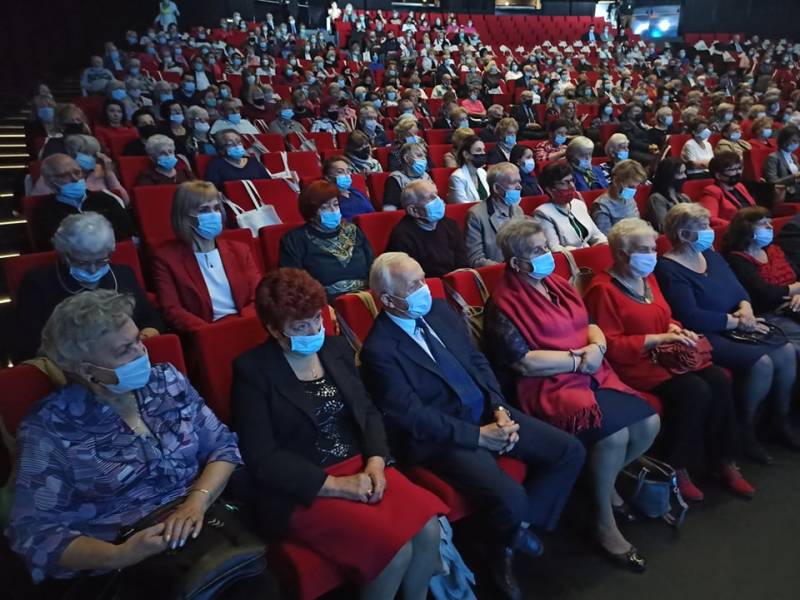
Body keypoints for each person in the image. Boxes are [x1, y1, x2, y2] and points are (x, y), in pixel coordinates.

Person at [360, 252, 585, 598]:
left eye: (423, 279)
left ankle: (513, 533)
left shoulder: (438, 310)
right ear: (389, 300)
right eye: (413, 285)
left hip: (486, 413)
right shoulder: (379, 349)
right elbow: (412, 415)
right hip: (445, 436)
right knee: (510, 497)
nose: (425, 289)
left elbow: (476, 360)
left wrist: (499, 408)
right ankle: (500, 549)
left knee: (569, 451)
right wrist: (479, 437)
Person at [7, 289, 242, 592]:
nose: (141, 353)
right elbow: (34, 534)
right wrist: (121, 554)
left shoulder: (166, 381)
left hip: (204, 525)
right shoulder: (50, 427)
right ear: (86, 369)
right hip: (124, 560)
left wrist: (197, 501)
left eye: (137, 340)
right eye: (124, 350)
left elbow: (223, 445)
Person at [231, 268, 445, 600]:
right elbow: (263, 458)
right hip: (306, 484)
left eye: (316, 319)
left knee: (429, 530)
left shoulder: (335, 348)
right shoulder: (252, 371)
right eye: (300, 327)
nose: (313, 330)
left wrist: (376, 461)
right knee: (393, 552)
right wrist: (337, 486)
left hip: (360, 464)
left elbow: (368, 411)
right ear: (274, 329)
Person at [482, 219, 658, 571]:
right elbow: (522, 363)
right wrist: (578, 361)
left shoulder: (558, 284)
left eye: (546, 246)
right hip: (548, 385)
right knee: (614, 435)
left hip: (590, 369)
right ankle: (603, 520)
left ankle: (603, 483)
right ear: (516, 263)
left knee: (648, 423)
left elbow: (589, 323)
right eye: (537, 251)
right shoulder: (502, 303)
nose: (547, 255)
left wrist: (597, 347)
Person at [584, 218, 755, 500]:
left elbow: (666, 315)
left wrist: (675, 328)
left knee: (718, 379)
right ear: (622, 254)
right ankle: (677, 465)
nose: (653, 255)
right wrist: (659, 338)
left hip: (667, 355)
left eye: (654, 248)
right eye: (645, 250)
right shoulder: (602, 289)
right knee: (694, 391)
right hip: (635, 365)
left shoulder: (647, 277)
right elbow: (610, 345)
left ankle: (723, 459)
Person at [654, 203, 798, 464]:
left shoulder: (711, 255)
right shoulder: (668, 268)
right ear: (683, 234)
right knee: (762, 362)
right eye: (702, 227)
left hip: (738, 322)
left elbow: (739, 291)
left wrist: (746, 309)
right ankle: (746, 429)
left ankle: (780, 420)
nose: (709, 231)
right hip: (707, 333)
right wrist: (736, 322)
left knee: (786, 351)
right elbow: (690, 315)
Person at [13, 213, 161, 361]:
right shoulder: (38, 284)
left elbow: (150, 318)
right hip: (74, 366)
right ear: (65, 254)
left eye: (101, 261)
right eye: (82, 262)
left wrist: (143, 336)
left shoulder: (123, 274)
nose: (92, 269)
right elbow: (30, 345)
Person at [152, 181, 261, 332]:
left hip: (246, 325)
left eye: (216, 208)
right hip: (205, 332)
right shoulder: (166, 258)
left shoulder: (240, 250)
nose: (214, 215)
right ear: (185, 216)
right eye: (204, 210)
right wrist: (210, 333)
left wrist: (243, 324)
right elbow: (172, 309)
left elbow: (259, 295)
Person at [279, 181, 373, 300]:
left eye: (336, 205)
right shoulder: (295, 239)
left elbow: (372, 265)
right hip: (323, 302)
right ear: (311, 212)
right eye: (325, 207)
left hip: (365, 297)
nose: (333, 210)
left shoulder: (353, 230)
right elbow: (294, 283)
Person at [723, 206, 800, 350]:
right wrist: (794, 289)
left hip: (793, 304)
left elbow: (797, 274)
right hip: (768, 312)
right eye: (763, 224)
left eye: (770, 222)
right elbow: (764, 293)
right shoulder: (736, 259)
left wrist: (798, 294)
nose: (770, 227)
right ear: (746, 229)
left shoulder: (773, 250)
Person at [31, 154, 135, 251]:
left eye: (77, 172)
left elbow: (126, 231)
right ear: (50, 182)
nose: (75, 179)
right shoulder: (45, 211)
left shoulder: (105, 199)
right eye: (64, 176)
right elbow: (50, 245)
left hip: (111, 253)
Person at [387, 179, 468, 278]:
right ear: (413, 210)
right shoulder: (401, 237)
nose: (438, 200)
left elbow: (463, 264)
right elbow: (411, 278)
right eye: (431, 197)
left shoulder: (451, 225)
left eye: (436, 194)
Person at [32, 134, 128, 205]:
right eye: (87, 154)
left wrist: (109, 173)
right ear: (71, 154)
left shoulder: (100, 170)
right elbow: (37, 202)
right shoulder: (54, 172)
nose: (93, 158)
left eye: (94, 154)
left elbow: (125, 200)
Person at [533, 161, 607, 252]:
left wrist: (603, 245)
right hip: (569, 257)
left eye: (572, 180)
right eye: (565, 182)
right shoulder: (543, 213)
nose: (572, 186)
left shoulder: (578, 204)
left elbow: (597, 235)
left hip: (590, 253)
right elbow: (555, 248)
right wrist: (585, 252)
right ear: (550, 189)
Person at [465, 163, 526, 267]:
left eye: (519, 181)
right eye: (513, 182)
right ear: (497, 188)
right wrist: (506, 269)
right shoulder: (476, 215)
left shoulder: (518, 210)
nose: (519, 187)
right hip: (497, 272)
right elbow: (476, 259)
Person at [698, 151, 756, 227]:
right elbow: (710, 219)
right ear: (718, 175)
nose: (738, 172)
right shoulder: (712, 191)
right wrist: (737, 226)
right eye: (733, 170)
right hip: (734, 229)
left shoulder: (739, 186)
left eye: (739, 168)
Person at [591, 159, 647, 235]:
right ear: (616, 180)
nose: (633, 190)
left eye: (635, 187)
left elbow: (638, 223)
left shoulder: (629, 198)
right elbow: (606, 237)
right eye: (630, 186)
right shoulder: (601, 205)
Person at [204, 129, 271, 190]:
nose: (237, 146)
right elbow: (211, 190)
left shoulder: (253, 161)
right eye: (230, 144)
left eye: (238, 142)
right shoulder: (216, 164)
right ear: (221, 149)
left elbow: (269, 183)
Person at [645, 157, 691, 232]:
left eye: (684, 172)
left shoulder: (682, 196)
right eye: (680, 173)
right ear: (669, 176)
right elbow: (664, 227)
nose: (685, 176)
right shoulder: (656, 198)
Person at [383, 142, 433, 211]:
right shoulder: (395, 179)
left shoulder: (426, 176)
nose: (424, 159)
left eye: (425, 156)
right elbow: (389, 210)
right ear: (406, 158)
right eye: (419, 155)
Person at [322, 155, 374, 221]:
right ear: (328, 177)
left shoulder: (357, 192)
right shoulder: (329, 200)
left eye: (348, 171)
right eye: (340, 172)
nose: (346, 175)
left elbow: (373, 214)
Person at [447, 134, 489, 204]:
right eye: (478, 150)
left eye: (483, 150)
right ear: (466, 154)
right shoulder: (457, 177)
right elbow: (462, 205)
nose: (483, 153)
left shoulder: (482, 172)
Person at [763, 124, 800, 202]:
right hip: (786, 192)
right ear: (784, 140)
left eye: (798, 141)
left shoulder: (794, 157)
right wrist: (793, 177)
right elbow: (772, 182)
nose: (796, 144)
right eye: (794, 141)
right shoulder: (773, 157)